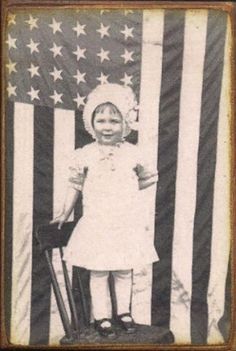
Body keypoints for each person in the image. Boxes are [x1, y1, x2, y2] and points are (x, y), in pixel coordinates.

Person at [50, 83, 159, 338]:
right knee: (98, 271)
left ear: (125, 124)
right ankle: (102, 316)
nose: (107, 126)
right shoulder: (85, 155)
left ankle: (124, 312)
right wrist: (65, 212)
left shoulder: (134, 154)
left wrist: (126, 193)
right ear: (91, 123)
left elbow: (149, 178)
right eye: (101, 120)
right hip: (97, 223)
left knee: (123, 269)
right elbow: (75, 184)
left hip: (124, 222)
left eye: (114, 120)